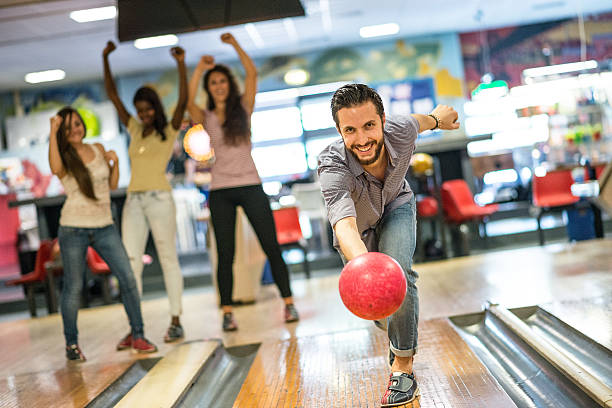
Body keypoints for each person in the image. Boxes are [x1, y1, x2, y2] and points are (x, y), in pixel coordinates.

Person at [317, 84, 459, 406]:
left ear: (382, 119)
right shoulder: (332, 165)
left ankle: (403, 369)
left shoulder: (400, 130)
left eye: (369, 125)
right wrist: (368, 274)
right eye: (350, 130)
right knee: (381, 307)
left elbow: (426, 120)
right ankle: (393, 324)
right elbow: (344, 224)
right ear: (340, 131)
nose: (363, 139)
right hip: (358, 232)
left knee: (400, 277)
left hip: (397, 204)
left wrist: (441, 119)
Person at [187, 32, 299, 331]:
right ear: (209, 89)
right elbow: (188, 100)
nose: (219, 86)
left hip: (251, 185)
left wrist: (234, 45)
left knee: (271, 246)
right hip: (221, 190)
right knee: (226, 254)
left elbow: (251, 72)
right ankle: (227, 312)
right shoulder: (207, 116)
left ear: (229, 85)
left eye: (222, 81)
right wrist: (199, 69)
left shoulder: (243, 108)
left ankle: (288, 303)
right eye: (213, 84)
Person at [48, 107, 157, 361]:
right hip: (73, 227)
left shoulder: (97, 148)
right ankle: (71, 345)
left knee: (127, 278)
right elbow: (54, 168)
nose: (74, 130)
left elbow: (110, 185)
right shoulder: (63, 155)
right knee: (74, 287)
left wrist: (115, 163)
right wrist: (52, 131)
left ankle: (137, 334)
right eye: (67, 128)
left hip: (104, 226)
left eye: (77, 124)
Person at [103, 41, 188, 344]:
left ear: (155, 107)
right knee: (130, 262)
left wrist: (181, 63)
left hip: (159, 199)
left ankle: (176, 320)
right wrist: (105, 59)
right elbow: (113, 96)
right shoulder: (135, 129)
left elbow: (182, 102)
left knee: (167, 258)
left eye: (147, 109)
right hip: (134, 201)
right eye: (139, 111)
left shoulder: (170, 129)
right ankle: (135, 327)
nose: (143, 115)